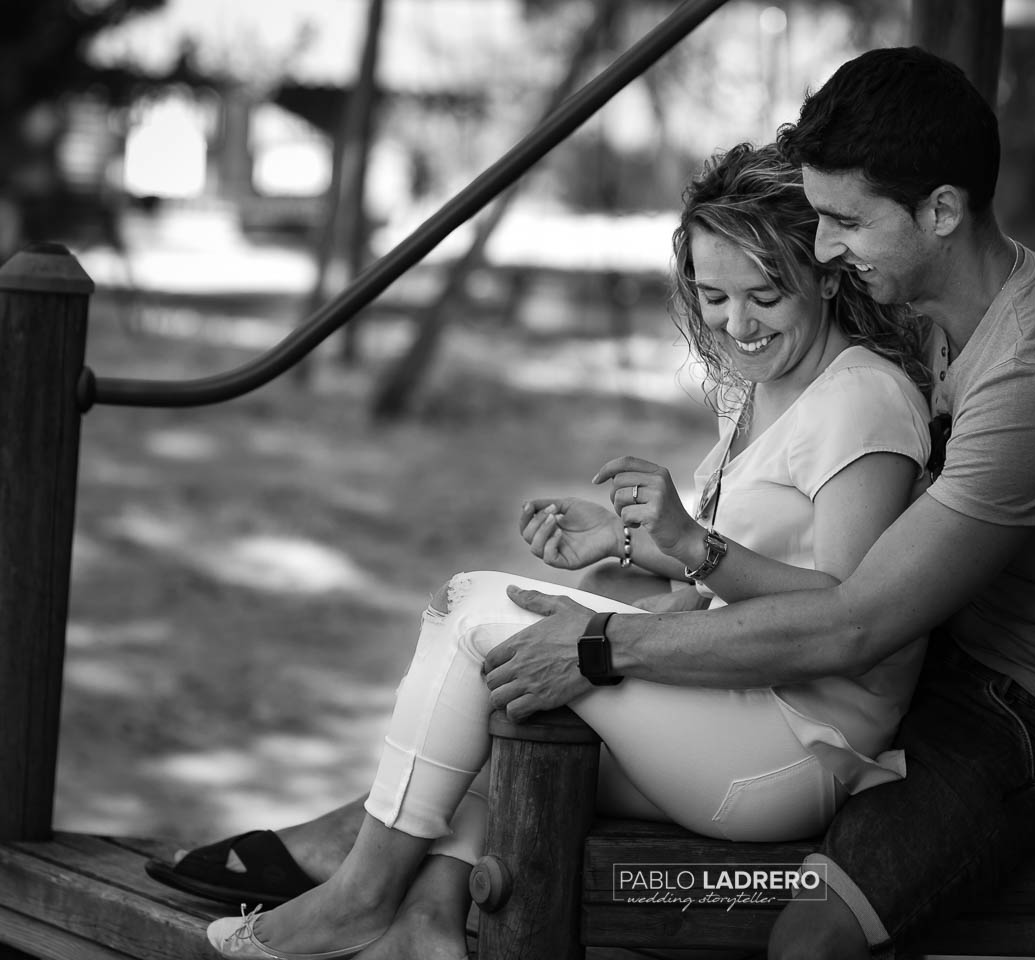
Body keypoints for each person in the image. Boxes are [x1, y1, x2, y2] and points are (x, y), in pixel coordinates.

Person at [483, 47, 1035, 959]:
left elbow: (856, 623)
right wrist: (645, 551)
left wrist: (598, 647)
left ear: (941, 210)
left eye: (844, 221)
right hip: (948, 655)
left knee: (810, 938)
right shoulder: (948, 309)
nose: (821, 249)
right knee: (521, 744)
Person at [192, 141, 936, 959]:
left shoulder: (862, 400)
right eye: (714, 295)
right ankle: (426, 927)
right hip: (736, 703)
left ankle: (359, 897)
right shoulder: (770, 388)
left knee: (475, 607)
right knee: (492, 697)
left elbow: (851, 610)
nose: (736, 324)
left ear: (828, 274)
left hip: (797, 746)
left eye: (766, 294)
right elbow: (731, 572)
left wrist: (692, 546)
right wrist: (628, 542)